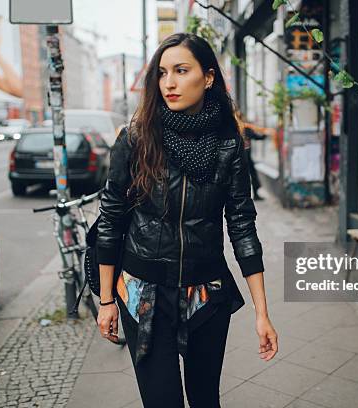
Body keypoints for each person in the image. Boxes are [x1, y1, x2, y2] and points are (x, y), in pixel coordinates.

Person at [95, 33, 278, 407]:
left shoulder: (229, 143)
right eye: (162, 73)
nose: (169, 83)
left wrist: (263, 314)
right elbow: (110, 219)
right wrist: (105, 300)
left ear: (208, 77)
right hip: (143, 292)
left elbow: (242, 225)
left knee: (205, 400)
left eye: (181, 71)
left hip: (205, 292)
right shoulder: (136, 138)